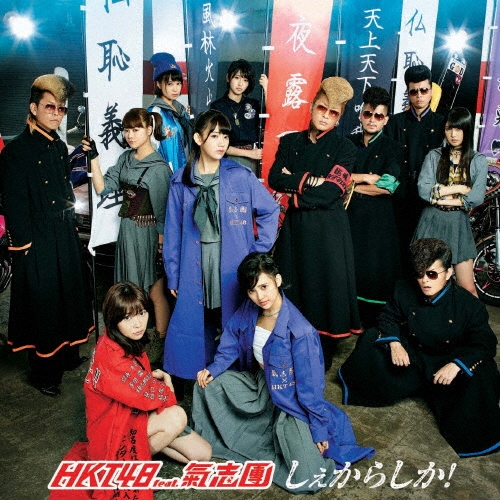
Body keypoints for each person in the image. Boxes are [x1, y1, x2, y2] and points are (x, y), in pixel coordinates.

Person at [194, 252, 375, 494]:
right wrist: (214, 368)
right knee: (206, 384)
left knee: (307, 476)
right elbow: (232, 339)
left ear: (277, 280)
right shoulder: (250, 309)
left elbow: (310, 388)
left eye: (264, 286)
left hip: (290, 401)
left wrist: (318, 429)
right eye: (252, 291)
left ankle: (288, 441)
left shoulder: (300, 332)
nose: (260, 296)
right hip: (259, 387)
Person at [49, 281, 212, 500]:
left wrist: (152, 382)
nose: (138, 324)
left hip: (135, 415)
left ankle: (143, 450)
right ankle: (132, 466)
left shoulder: (122, 339)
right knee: (177, 416)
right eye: (127, 318)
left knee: (202, 454)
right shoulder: (112, 356)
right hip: (111, 428)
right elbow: (157, 398)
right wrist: (167, 383)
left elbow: (140, 387)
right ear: (113, 320)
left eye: (142, 313)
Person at [339, 238, 500, 458]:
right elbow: (387, 317)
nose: (424, 281)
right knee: (371, 337)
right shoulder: (404, 289)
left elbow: (485, 343)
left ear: (448, 273)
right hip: (416, 356)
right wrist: (395, 343)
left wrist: (456, 365)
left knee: (483, 371)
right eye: (419, 273)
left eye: (432, 274)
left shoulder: (468, 305)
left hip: (448, 361)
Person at [163, 109, 279, 383]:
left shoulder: (240, 176)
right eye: (214, 136)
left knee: (232, 315)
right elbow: (172, 231)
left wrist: (257, 252)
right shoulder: (180, 181)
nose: (221, 142)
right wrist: (173, 273)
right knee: (196, 317)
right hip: (194, 261)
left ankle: (232, 376)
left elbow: (270, 210)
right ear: (198, 138)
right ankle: (194, 374)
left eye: (225, 136)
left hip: (232, 262)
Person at [0, 74, 93, 397]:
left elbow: (64, 188)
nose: (56, 114)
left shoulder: (57, 145)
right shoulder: (16, 151)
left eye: (61, 109)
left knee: (69, 294)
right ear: (33, 107)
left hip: (63, 234)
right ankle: (44, 373)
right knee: (44, 304)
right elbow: (12, 202)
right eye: (50, 107)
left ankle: (67, 355)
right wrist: (23, 245)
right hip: (36, 240)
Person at [268, 76, 360, 370]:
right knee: (294, 284)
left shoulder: (346, 148)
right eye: (322, 108)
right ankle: (293, 341)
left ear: (339, 117)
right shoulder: (289, 142)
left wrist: (295, 188)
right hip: (295, 229)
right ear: (311, 106)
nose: (325, 116)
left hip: (329, 231)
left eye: (333, 113)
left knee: (324, 286)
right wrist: (311, 180)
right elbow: (274, 178)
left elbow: (332, 192)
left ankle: (324, 349)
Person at [82, 108, 171, 364]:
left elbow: (163, 214)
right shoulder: (125, 159)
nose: (130, 135)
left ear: (149, 130)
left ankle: (160, 341)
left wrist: (160, 249)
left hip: (149, 235)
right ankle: (132, 341)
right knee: (129, 288)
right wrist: (94, 157)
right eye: (127, 130)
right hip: (127, 232)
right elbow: (102, 188)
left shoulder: (159, 168)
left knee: (154, 291)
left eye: (136, 129)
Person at [413, 107, 487, 297]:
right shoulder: (434, 156)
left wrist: (440, 195)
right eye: (448, 128)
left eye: (458, 129)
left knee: (468, 288)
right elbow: (423, 190)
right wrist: (460, 189)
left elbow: (476, 197)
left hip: (458, 224)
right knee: (429, 284)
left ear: (467, 130)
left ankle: (473, 319)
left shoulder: (478, 160)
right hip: (432, 221)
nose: (453, 134)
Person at [347, 86, 403, 328]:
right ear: (361, 115)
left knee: (374, 271)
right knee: (350, 267)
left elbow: (388, 186)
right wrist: (368, 178)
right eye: (368, 114)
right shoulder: (347, 143)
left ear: (386, 119)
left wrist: (353, 184)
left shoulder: (393, 147)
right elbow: (336, 177)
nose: (372, 120)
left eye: (378, 116)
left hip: (378, 222)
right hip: (349, 218)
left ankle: (373, 325)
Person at [386, 65, 444, 276]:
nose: (419, 96)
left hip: (428, 197)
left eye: (424, 90)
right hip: (400, 195)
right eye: (414, 91)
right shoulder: (395, 122)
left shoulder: (441, 123)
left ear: (431, 91)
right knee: (399, 247)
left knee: (426, 249)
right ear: (408, 93)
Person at [210, 59, 267, 175]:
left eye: (245, 80)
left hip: (253, 158)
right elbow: (217, 142)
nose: (240, 84)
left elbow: (272, 117)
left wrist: (266, 88)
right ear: (228, 78)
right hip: (229, 158)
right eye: (237, 78)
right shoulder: (217, 106)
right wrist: (249, 153)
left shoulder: (254, 104)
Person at [148, 52, 192, 173]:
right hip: (166, 173)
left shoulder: (181, 111)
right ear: (158, 84)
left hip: (184, 171)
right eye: (170, 84)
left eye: (178, 83)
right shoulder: (154, 113)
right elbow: (151, 148)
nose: (175, 88)